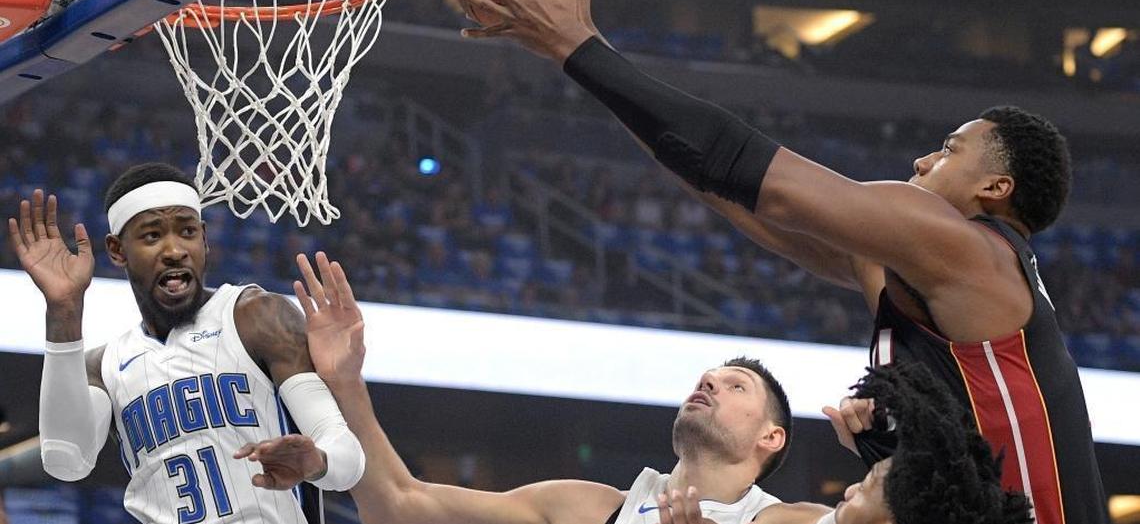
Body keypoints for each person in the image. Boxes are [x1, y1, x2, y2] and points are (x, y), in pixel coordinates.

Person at [443, 0, 1108, 523]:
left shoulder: (969, 250)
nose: (923, 160)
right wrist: (587, 60)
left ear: (995, 189)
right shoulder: (920, 277)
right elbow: (722, 181)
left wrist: (577, 47)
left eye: (949, 149)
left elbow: (756, 172)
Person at [242, 253, 1034, 524]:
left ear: (773, 439)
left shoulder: (801, 518)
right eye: (705, 375)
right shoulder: (589, 505)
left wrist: (886, 442)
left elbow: (942, 499)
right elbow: (399, 507)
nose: (707, 383)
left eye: (733, 385)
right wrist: (344, 383)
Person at [6, 163, 366, 524]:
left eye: (188, 231)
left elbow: (346, 455)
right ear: (117, 250)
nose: (175, 250)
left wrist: (317, 461)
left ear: (205, 240)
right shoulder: (103, 365)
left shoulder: (257, 316)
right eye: (151, 236)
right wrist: (64, 309)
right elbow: (66, 461)